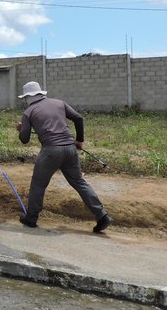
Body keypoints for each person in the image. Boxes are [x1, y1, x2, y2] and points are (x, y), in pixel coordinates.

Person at [15, 81, 112, 233]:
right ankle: (101, 215)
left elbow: (24, 139)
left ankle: (31, 218)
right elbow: (78, 118)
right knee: (79, 182)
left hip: (51, 151)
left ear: (27, 97)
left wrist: (21, 129)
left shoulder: (29, 112)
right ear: (41, 93)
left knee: (38, 184)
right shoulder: (59, 103)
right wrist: (79, 140)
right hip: (70, 148)